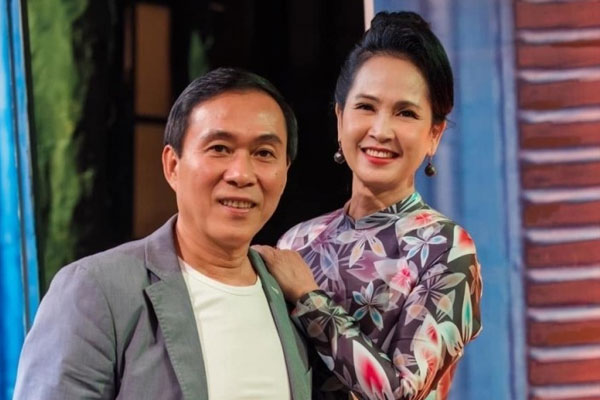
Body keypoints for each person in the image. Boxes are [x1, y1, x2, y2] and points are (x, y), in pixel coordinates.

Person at [13, 68, 311, 400]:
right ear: (172, 165)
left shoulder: (290, 296)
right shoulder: (96, 289)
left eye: (264, 153)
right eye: (219, 148)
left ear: (285, 171)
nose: (241, 174)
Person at [256, 11, 482, 400]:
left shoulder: (446, 249)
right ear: (340, 117)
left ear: (434, 133)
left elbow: (401, 392)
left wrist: (310, 299)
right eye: (365, 107)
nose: (380, 130)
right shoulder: (297, 242)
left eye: (405, 113)